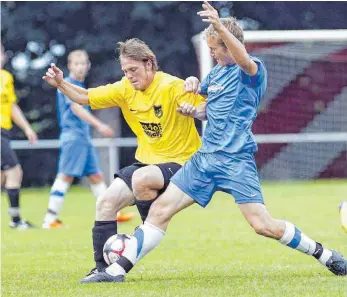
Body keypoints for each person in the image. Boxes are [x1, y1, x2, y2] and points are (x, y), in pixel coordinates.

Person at [83, 1, 347, 283]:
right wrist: (193, 100)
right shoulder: (217, 73)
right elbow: (207, 107)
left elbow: (243, 58)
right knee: (160, 211)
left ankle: (323, 254)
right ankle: (115, 271)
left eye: (214, 47)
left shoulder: (251, 71)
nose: (210, 52)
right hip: (205, 159)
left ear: (228, 45)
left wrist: (220, 24)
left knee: (262, 225)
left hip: (236, 160)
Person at [42, 38, 206, 278]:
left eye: (133, 70)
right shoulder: (124, 88)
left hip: (182, 162)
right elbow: (85, 97)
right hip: (147, 162)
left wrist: (196, 107)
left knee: (142, 178)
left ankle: (144, 233)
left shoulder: (173, 86)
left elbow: (207, 109)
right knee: (106, 202)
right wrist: (60, 84)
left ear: (149, 63)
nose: (128, 75)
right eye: (125, 71)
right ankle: (103, 269)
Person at [42, 50, 134, 229]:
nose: (80, 67)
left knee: (96, 176)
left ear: (88, 65)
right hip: (73, 137)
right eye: (76, 63)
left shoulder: (79, 84)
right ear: (69, 66)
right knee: (65, 176)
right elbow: (77, 108)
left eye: (83, 63)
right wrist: (99, 125)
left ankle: (112, 213)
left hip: (83, 138)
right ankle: (50, 219)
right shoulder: (66, 83)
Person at [1, 44, 38, 229]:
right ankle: (16, 221)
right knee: (14, 172)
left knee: (4, 177)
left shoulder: (6, 78)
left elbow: (12, 106)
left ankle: (15, 220)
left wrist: (27, 128)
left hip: (4, 132)